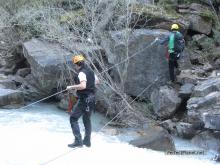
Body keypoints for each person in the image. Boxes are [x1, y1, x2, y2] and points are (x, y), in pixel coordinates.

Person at [66, 54, 99, 148]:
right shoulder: (91, 71)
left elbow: (83, 86)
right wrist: (90, 83)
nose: (75, 67)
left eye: (74, 65)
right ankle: (87, 141)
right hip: (92, 99)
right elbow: (97, 82)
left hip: (85, 100)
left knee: (73, 118)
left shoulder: (81, 73)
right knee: (86, 119)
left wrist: (71, 87)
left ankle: (78, 141)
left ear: (76, 64)